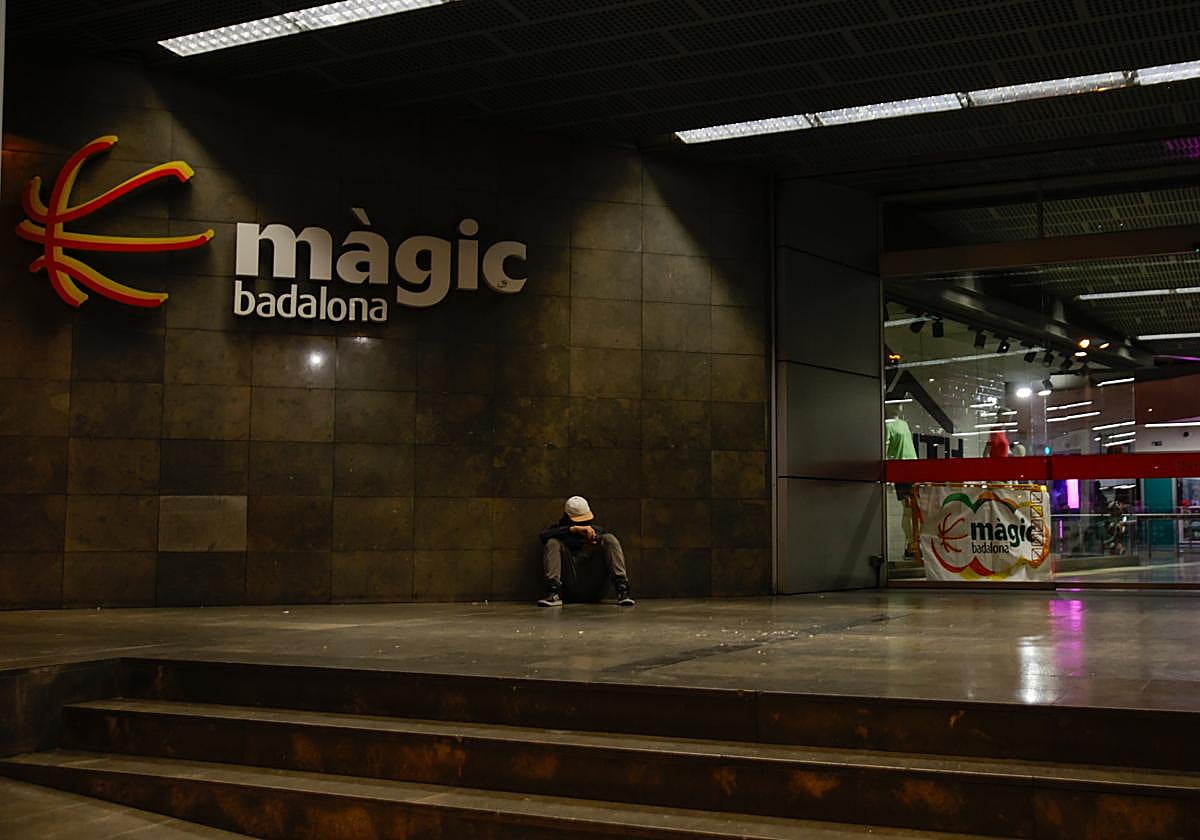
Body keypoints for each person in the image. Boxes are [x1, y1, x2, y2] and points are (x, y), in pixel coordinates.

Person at [538, 496, 634, 607]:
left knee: (609, 539)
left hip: (594, 585)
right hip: (568, 586)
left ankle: (622, 589)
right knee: (552, 543)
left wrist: (591, 543)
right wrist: (572, 530)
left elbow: (606, 542)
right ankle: (553, 592)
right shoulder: (558, 531)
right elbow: (543, 536)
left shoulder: (596, 531)